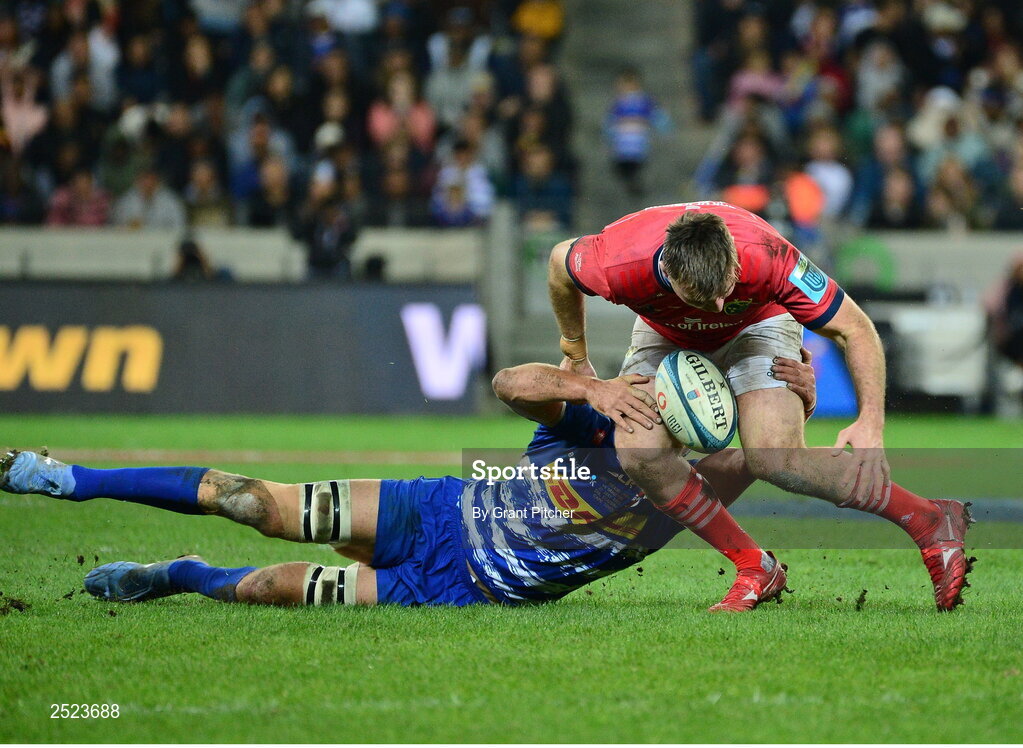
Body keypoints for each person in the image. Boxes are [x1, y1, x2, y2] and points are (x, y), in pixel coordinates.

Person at [0, 357, 820, 611]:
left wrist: (800, 401)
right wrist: (589, 388)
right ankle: (67, 477)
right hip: (432, 510)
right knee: (256, 502)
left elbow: (761, 455)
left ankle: (177, 576)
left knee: (260, 589)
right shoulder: (590, 421)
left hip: (457, 590)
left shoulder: (675, 499)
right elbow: (507, 382)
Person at [546, 200, 974, 610]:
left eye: (726, 289)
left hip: (759, 321)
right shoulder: (617, 260)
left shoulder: (770, 256)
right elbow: (558, 265)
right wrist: (576, 354)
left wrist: (870, 422)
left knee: (775, 457)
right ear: (668, 274)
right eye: (702, 298)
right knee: (641, 453)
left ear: (734, 258)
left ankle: (929, 519)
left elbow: (855, 329)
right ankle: (755, 566)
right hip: (666, 332)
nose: (717, 307)